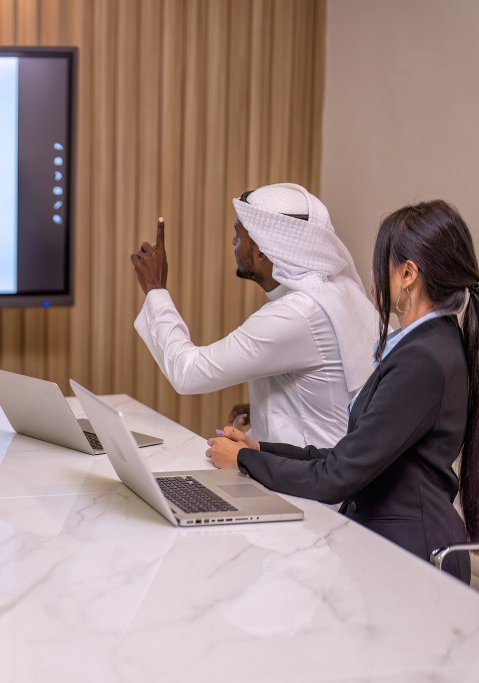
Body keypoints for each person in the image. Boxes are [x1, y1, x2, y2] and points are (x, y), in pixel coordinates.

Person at [208, 200, 478, 583]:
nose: (372, 277)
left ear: (408, 274)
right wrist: (259, 449)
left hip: (411, 560)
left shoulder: (424, 359)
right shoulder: (427, 345)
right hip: (393, 547)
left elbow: (336, 477)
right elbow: (348, 455)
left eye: (380, 264)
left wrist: (243, 462)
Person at [131, 183, 378, 447]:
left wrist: (156, 290)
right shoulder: (336, 292)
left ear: (262, 251)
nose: (233, 242)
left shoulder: (297, 315)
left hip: (307, 485)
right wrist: (264, 408)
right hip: (322, 471)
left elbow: (188, 372)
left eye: (239, 234)